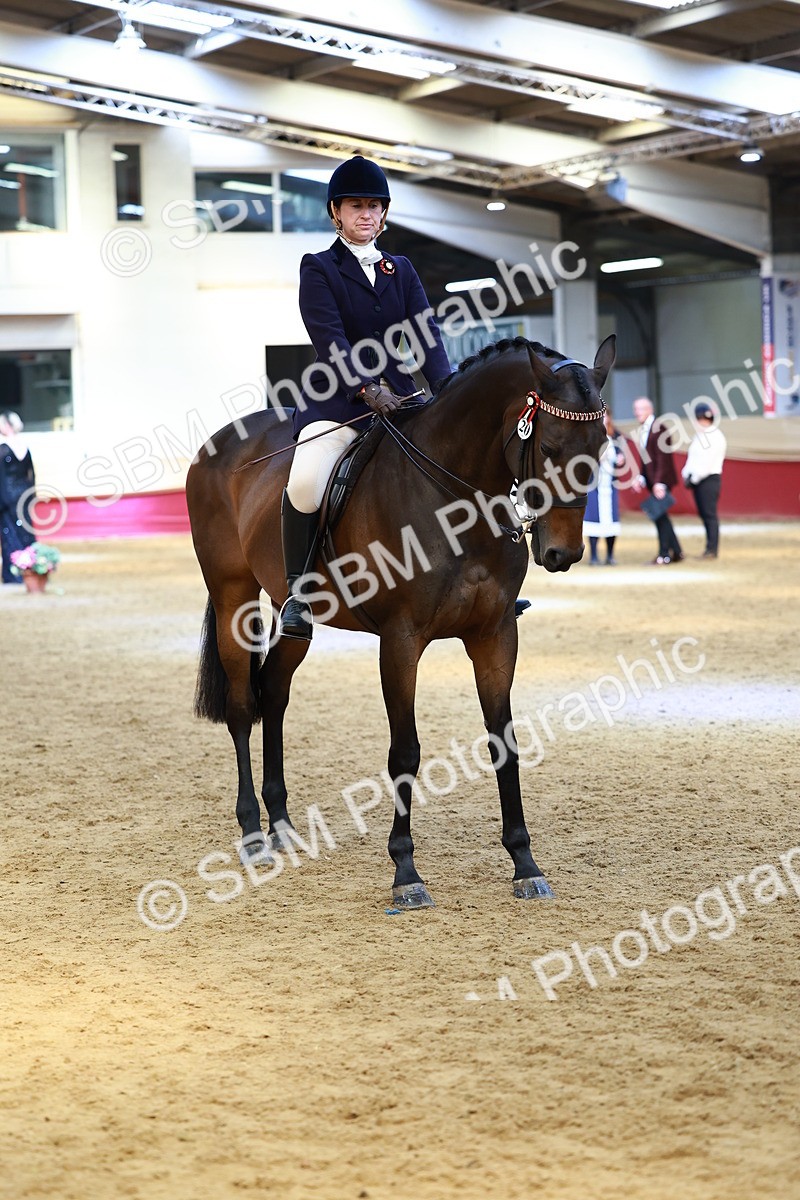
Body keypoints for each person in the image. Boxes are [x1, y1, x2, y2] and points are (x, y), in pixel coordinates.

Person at [279, 155, 452, 640]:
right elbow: (328, 337)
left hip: (399, 398)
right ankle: (298, 592)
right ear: (336, 212)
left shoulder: (402, 269)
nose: (367, 215)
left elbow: (425, 334)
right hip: (337, 399)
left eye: (375, 206)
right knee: (308, 479)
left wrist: (448, 389)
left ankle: (474, 571)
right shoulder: (318, 268)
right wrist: (364, 386)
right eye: (357, 206)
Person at [631, 396, 683, 565]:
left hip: (662, 481)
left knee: (659, 517)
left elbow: (663, 459)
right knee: (661, 516)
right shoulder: (647, 429)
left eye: (639, 409)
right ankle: (676, 551)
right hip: (655, 482)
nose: (636, 413)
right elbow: (647, 459)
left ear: (649, 410)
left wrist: (659, 483)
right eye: (635, 409)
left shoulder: (659, 429)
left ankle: (664, 554)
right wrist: (641, 477)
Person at [681, 401, 726, 558]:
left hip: (708, 479)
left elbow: (707, 462)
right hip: (698, 479)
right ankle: (709, 547)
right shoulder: (700, 436)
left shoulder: (714, 437)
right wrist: (686, 473)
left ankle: (712, 549)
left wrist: (694, 477)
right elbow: (692, 459)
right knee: (704, 514)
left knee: (709, 514)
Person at [583, 408, 624, 565]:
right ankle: (594, 556)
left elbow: (623, 456)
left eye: (605, 415)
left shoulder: (616, 435)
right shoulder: (590, 435)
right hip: (594, 485)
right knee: (593, 520)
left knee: (611, 521)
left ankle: (610, 555)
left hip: (610, 485)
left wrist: (621, 460)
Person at [0, 411, 36, 585]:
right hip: (24, 494)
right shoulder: (25, 447)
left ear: (7, 426)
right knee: (26, 532)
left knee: (9, 534)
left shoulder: (3, 449)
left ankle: (13, 574)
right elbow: (31, 475)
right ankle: (31, 569)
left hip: (7, 497)